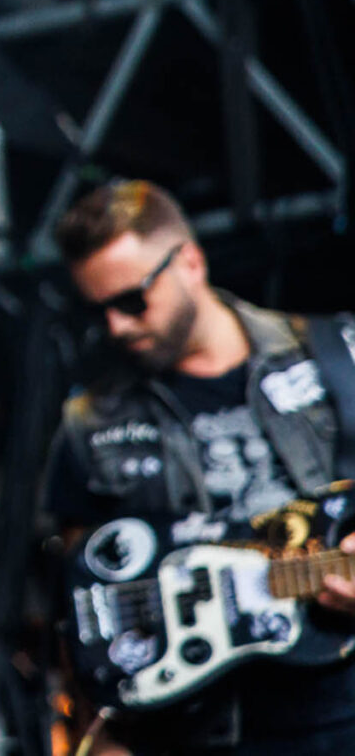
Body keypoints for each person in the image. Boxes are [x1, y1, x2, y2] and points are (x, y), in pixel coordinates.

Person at [45, 180, 355, 756]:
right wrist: (99, 731)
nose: (117, 325)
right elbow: (78, 593)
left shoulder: (337, 352)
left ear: (189, 261)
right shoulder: (91, 421)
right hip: (202, 730)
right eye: (100, 310)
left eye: (132, 300)